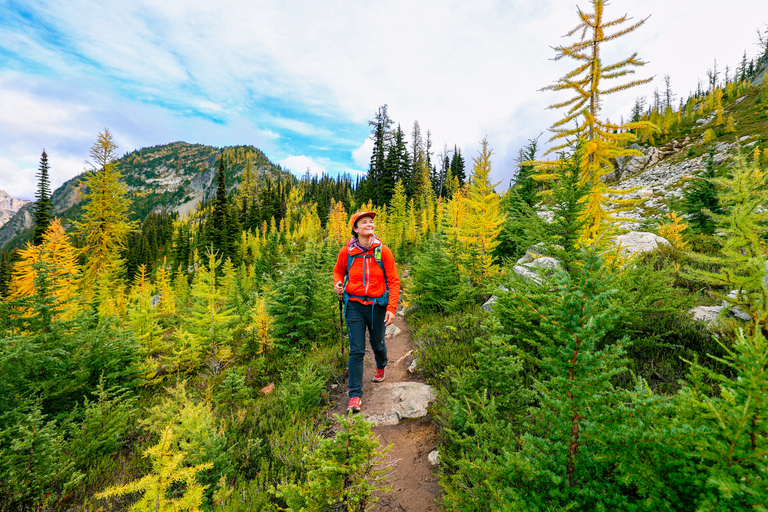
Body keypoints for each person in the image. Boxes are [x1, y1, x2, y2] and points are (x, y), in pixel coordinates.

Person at [333, 211, 400, 413]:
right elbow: (339, 271)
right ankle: (354, 395)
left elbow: (394, 281)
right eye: (364, 222)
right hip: (354, 304)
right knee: (356, 350)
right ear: (356, 228)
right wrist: (337, 284)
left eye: (371, 221)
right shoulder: (347, 251)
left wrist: (391, 308)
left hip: (376, 305)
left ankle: (381, 364)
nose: (369, 224)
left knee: (377, 342)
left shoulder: (383, 251)